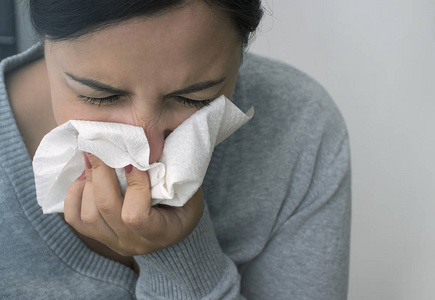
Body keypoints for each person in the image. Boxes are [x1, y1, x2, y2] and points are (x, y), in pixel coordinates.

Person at [0, 0, 351, 299]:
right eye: (100, 96)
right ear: (45, 43)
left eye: (194, 99)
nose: (148, 151)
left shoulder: (300, 128)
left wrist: (182, 259)